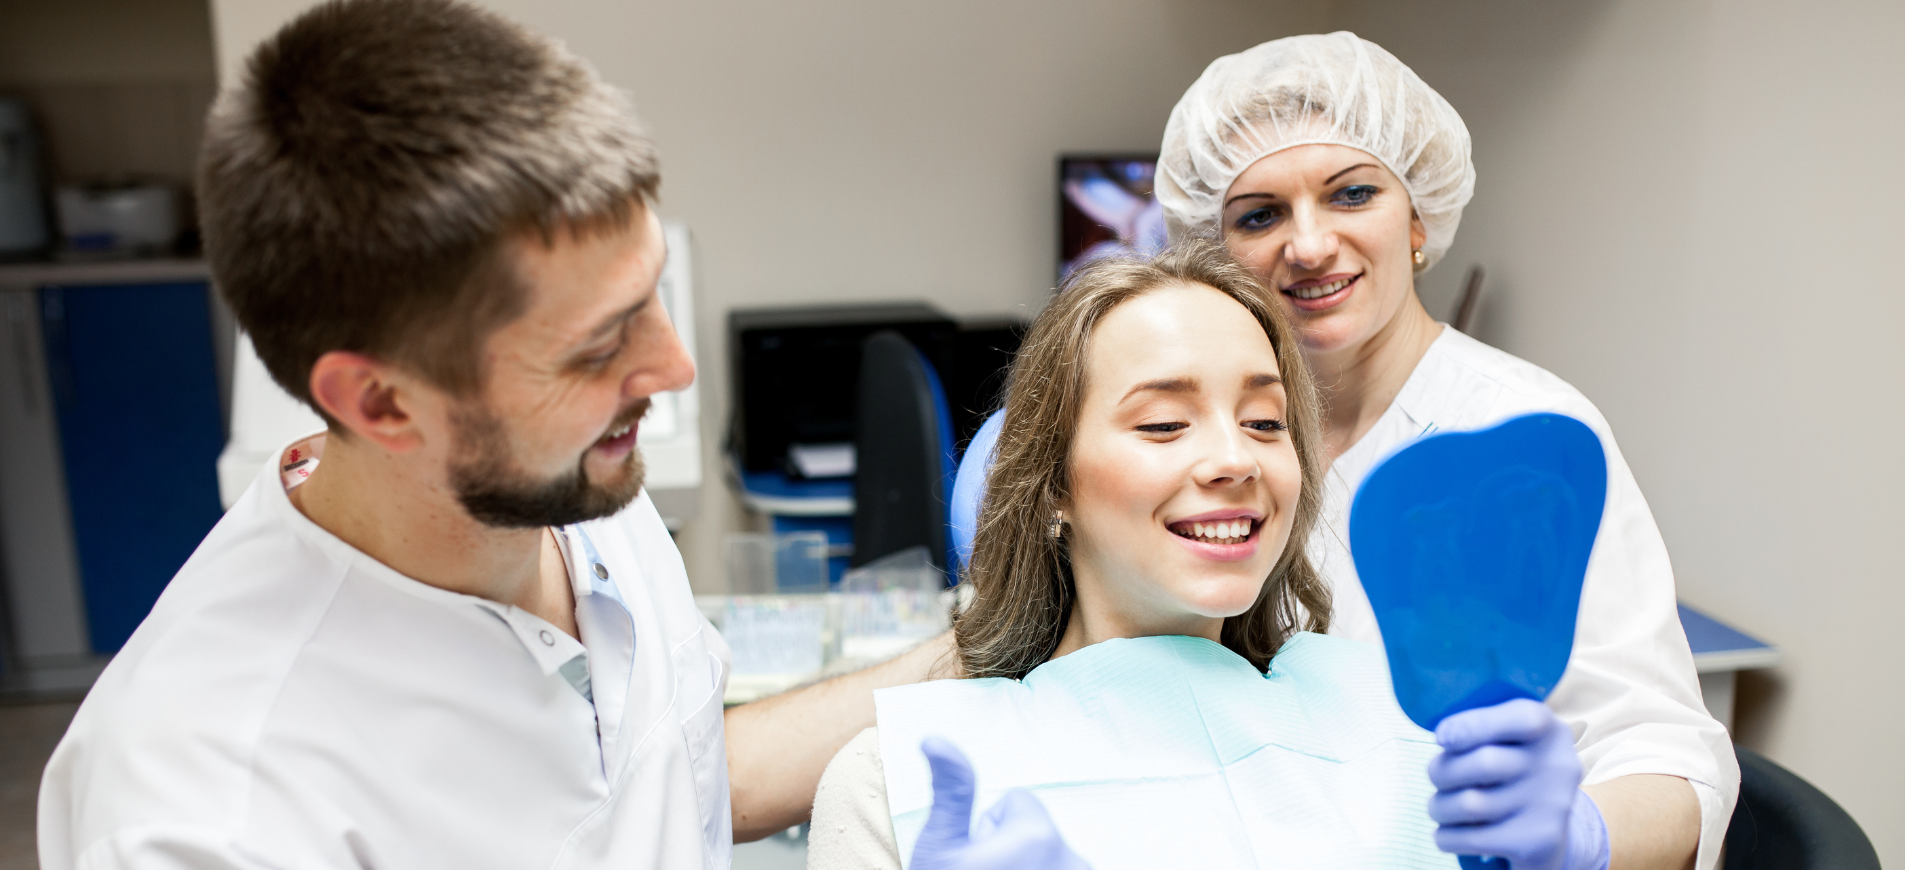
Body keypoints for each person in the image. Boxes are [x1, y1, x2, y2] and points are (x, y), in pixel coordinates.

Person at [35, 2, 1070, 867]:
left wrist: (1006, 638)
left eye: (653, 294)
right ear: (381, 404)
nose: (672, 369)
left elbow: (685, 775)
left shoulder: (570, 494)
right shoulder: (213, 806)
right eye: (598, 346)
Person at [810, 242, 1606, 870]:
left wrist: (1564, 858)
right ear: (1051, 486)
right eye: (1163, 424)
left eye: (1264, 422)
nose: (1236, 459)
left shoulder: (1409, 723)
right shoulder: (900, 781)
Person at [1153, 32, 1735, 870]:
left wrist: (1581, 833)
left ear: (1417, 218)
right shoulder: (1218, 445)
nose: (1308, 246)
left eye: (1351, 194)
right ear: (1216, 253)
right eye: (1259, 214)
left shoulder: (1520, 431)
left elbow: (1662, 750)